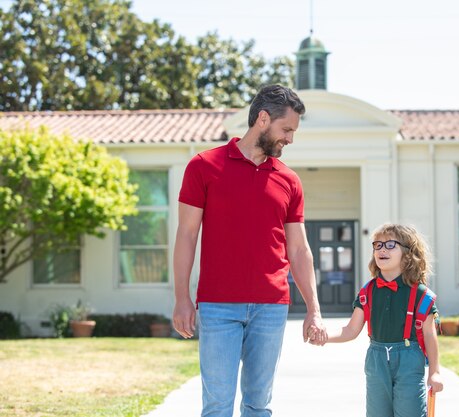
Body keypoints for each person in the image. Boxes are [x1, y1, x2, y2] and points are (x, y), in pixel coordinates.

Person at [172, 84, 327, 417]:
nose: (290, 138)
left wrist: (313, 308)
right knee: (217, 406)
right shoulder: (203, 166)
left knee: (259, 405)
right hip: (217, 306)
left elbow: (299, 250)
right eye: (286, 129)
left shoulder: (289, 181)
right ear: (262, 118)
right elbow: (186, 235)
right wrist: (182, 297)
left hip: (270, 308)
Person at [311, 223, 443, 417]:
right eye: (378, 245)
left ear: (407, 254)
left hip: (408, 360)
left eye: (390, 244)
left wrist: (434, 372)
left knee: (410, 412)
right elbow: (350, 330)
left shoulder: (420, 294)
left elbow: (430, 336)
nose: (382, 249)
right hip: (376, 359)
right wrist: (324, 336)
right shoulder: (368, 291)